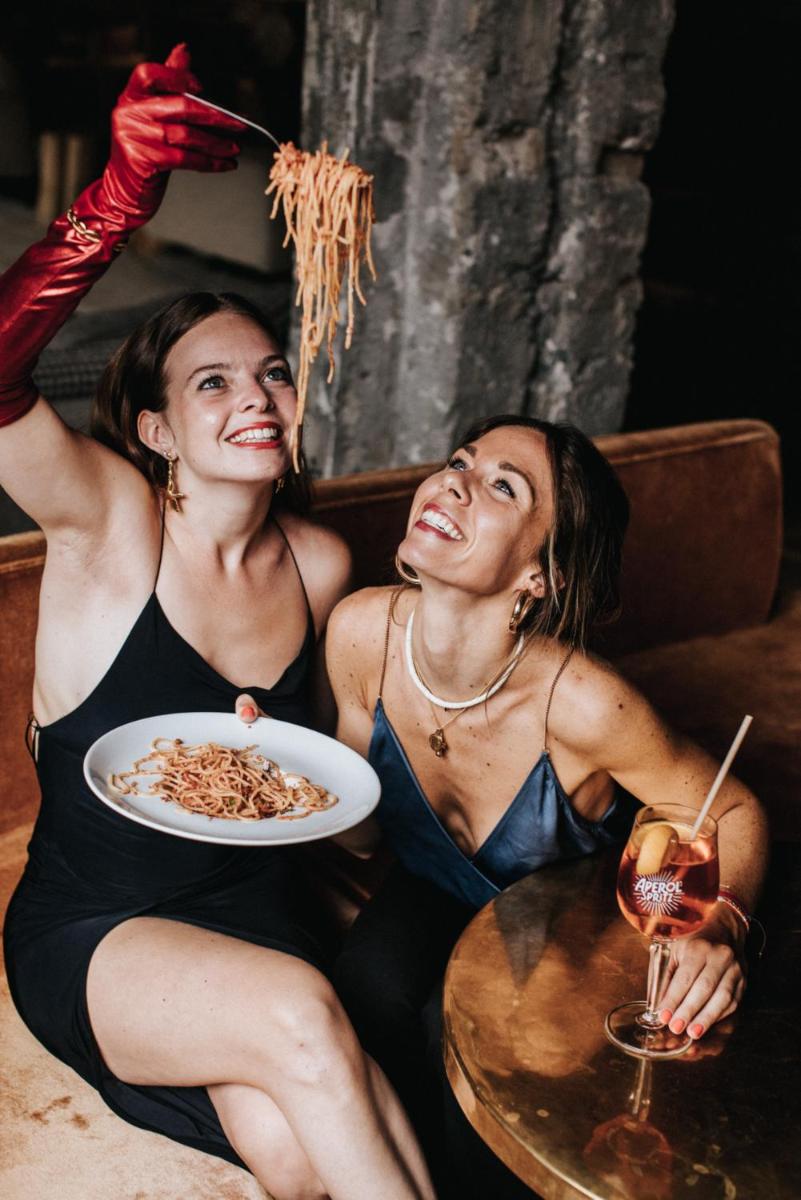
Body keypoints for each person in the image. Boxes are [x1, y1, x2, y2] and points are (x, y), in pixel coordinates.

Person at [0, 46, 434, 1200]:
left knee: (298, 1158)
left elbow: (338, 810)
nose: (257, 397)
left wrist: (319, 768)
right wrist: (112, 202)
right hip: (99, 928)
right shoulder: (112, 527)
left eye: (274, 374)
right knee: (301, 1014)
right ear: (154, 431)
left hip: (256, 915)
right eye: (212, 383)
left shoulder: (319, 562)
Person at [325, 415, 769, 1197]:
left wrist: (718, 926)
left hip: (566, 911)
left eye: (502, 486)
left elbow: (732, 809)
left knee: (493, 1044)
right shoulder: (359, 630)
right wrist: (270, 776)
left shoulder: (586, 704)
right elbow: (359, 834)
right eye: (459, 461)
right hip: (432, 885)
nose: (454, 481)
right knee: (363, 988)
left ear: (541, 575)